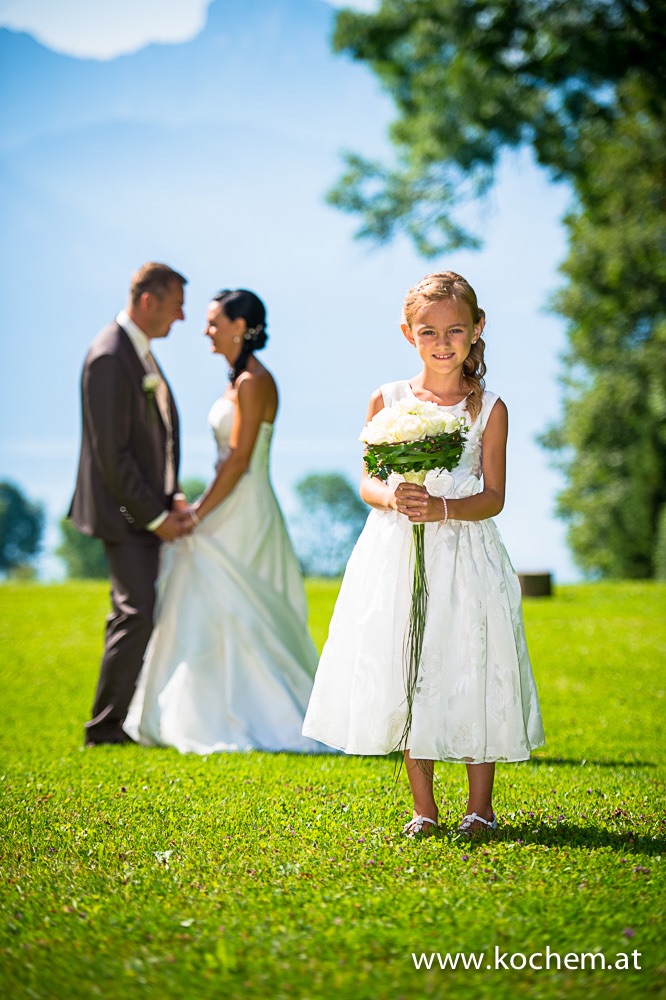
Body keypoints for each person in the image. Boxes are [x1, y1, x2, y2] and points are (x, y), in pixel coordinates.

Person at [302, 271, 545, 835]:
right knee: (410, 663)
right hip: (397, 551)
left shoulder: (490, 409)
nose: (442, 342)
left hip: (464, 552)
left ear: (477, 328)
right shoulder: (387, 400)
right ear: (408, 334)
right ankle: (424, 808)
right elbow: (367, 480)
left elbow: (493, 496)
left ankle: (480, 808)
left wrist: (442, 508)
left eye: (455, 330)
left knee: (469, 662)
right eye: (428, 331)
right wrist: (393, 496)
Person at [124, 289, 325, 754]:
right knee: (210, 604)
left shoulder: (254, 381)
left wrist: (197, 513)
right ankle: (204, 711)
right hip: (227, 498)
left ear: (239, 327)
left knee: (243, 607)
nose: (206, 329)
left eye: (214, 321)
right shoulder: (238, 380)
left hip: (245, 508)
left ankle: (264, 717)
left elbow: (238, 461)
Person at [70, 262, 193, 747]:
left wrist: (170, 494)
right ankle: (104, 728)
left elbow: (154, 440)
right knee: (135, 611)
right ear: (148, 301)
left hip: (146, 505)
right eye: (177, 305)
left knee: (139, 609)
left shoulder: (137, 353)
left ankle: (119, 721)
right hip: (123, 512)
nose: (181, 317)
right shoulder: (109, 356)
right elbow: (112, 455)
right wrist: (156, 517)